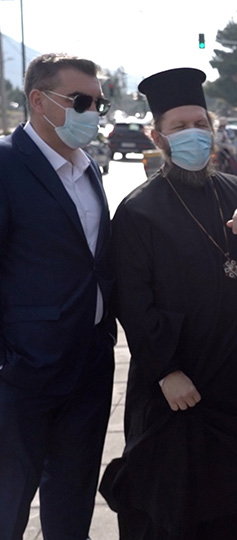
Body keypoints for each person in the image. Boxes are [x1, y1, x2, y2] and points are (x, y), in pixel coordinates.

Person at [98, 67, 237, 539]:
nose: (193, 132)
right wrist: (165, 371)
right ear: (159, 135)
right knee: (175, 516)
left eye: (201, 122)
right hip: (178, 397)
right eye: (180, 126)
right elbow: (132, 301)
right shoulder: (138, 210)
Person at [0, 53, 116, 539]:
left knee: (71, 503)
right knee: (8, 502)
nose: (93, 111)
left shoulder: (87, 166)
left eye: (99, 102)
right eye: (81, 100)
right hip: (22, 374)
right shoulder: (6, 163)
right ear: (38, 101)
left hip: (88, 366)